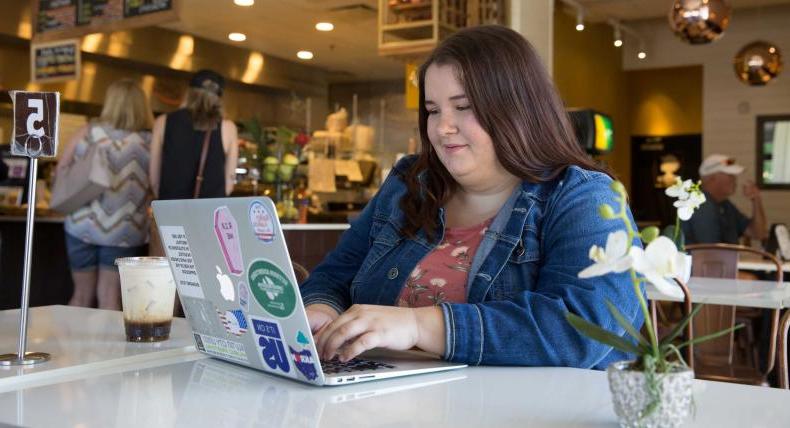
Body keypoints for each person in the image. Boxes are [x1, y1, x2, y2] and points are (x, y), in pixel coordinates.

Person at [300, 25, 642, 368]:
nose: (442, 127)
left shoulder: (583, 196)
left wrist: (419, 325)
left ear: (518, 109)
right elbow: (334, 276)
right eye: (433, 110)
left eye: (463, 106)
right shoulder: (410, 181)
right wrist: (321, 311)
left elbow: (582, 328)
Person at [58, 79, 154, 309]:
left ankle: (71, 345)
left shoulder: (88, 132)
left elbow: (62, 168)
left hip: (81, 225)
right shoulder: (149, 141)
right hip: (124, 231)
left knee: (80, 296)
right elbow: (157, 185)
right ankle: (102, 347)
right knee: (110, 298)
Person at [149, 69, 239, 201]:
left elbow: (154, 179)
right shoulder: (228, 128)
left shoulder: (162, 122)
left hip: (171, 211)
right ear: (219, 98)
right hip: (209, 214)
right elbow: (229, 184)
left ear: (189, 93)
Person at [682, 154, 768, 245]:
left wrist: (756, 199)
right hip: (710, 259)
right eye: (730, 175)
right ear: (711, 178)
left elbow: (759, 233)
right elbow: (711, 251)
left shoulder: (724, 204)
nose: (735, 179)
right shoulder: (701, 205)